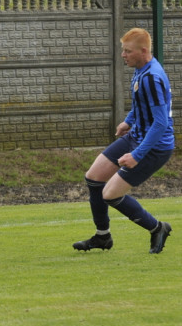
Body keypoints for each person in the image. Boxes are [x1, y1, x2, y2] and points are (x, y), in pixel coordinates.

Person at [73, 27, 175, 254]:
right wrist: (128, 121)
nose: (123, 55)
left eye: (128, 51)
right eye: (123, 50)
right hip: (136, 135)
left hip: (154, 146)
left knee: (110, 194)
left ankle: (157, 227)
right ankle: (102, 237)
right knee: (94, 178)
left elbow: (160, 124)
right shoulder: (141, 69)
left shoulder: (152, 77)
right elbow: (142, 105)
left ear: (143, 51)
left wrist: (137, 155)